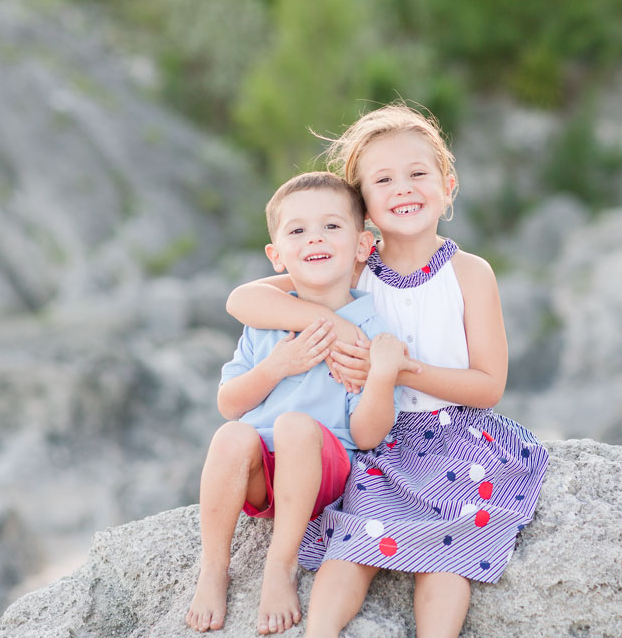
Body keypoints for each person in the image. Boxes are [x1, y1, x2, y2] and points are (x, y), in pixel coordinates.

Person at [226, 103, 550, 638]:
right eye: (383, 180)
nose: (404, 188)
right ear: (365, 207)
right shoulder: (350, 268)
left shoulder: (469, 273)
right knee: (355, 542)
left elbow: (488, 385)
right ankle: (320, 633)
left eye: (419, 174)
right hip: (377, 440)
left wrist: (398, 369)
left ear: (448, 186)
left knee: (452, 549)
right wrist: (323, 319)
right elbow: (243, 300)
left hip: (457, 437)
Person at [185, 171, 415, 635]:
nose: (314, 238)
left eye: (331, 226)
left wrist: (382, 377)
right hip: (260, 478)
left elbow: (369, 435)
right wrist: (278, 366)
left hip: (322, 472)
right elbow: (229, 404)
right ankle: (213, 567)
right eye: (297, 231)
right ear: (277, 256)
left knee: (294, 425)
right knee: (231, 436)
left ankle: (281, 565)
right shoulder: (266, 321)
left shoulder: (367, 330)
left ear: (362, 245)